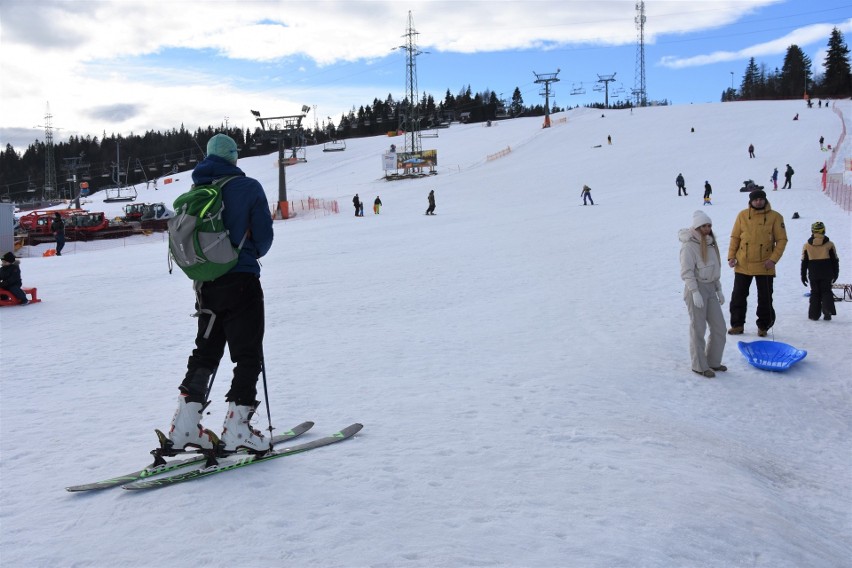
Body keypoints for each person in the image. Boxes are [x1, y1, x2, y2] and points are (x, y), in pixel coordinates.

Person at [167, 133, 274, 454]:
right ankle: (238, 427)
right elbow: (264, 240)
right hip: (241, 280)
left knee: (205, 352)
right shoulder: (248, 187)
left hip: (205, 286)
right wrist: (244, 253)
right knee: (247, 353)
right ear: (234, 158)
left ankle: (184, 426)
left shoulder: (196, 190)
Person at [726, 189, 788, 336]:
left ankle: (763, 326)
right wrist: (731, 257)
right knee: (738, 297)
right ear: (750, 201)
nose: (758, 202)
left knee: (765, 298)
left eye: (761, 199)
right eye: (755, 200)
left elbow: (781, 240)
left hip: (764, 265)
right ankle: (737, 325)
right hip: (743, 264)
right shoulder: (742, 215)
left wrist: (773, 260)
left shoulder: (775, 217)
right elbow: (735, 237)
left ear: (765, 200)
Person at [679, 211, 727, 378]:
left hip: (711, 288)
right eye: (704, 226)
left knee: (720, 327)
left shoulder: (711, 244)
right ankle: (699, 365)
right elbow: (687, 272)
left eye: (709, 226)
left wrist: (719, 289)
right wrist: (694, 292)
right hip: (696, 289)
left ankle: (713, 361)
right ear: (697, 227)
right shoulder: (689, 246)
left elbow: (715, 269)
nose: (707, 229)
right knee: (698, 328)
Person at [801, 221, 840, 321]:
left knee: (815, 292)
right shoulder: (830, 244)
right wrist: (836, 273)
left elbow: (804, 261)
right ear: (823, 230)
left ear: (812, 231)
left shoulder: (807, 245)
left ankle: (814, 315)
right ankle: (827, 310)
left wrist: (803, 275)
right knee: (826, 291)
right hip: (827, 271)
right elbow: (834, 260)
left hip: (813, 272)